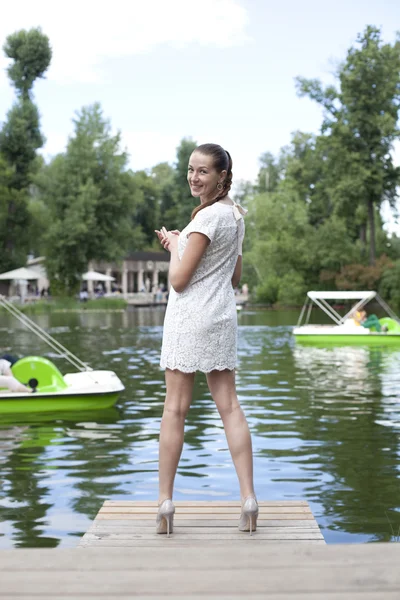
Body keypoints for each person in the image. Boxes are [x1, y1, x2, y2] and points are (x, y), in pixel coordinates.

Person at [154, 143, 257, 537]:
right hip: (221, 318)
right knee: (229, 406)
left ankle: (165, 501)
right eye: (191, 170)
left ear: (222, 177)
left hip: (188, 319)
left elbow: (179, 281)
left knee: (175, 410)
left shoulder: (205, 219)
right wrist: (183, 244)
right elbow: (233, 276)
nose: (194, 177)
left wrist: (176, 247)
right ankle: (248, 498)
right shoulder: (235, 216)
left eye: (203, 172)